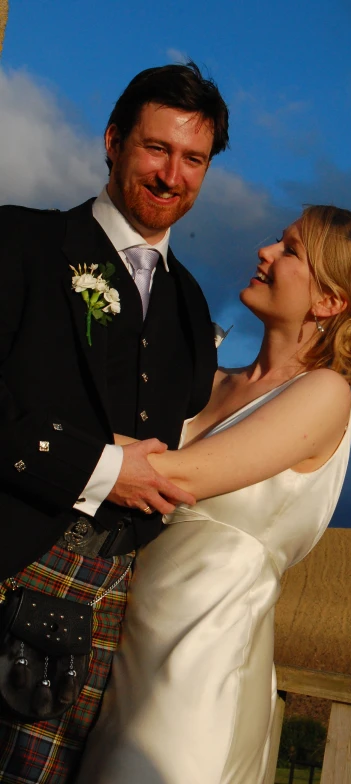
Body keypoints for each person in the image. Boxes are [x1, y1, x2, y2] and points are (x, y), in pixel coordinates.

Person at [77, 205, 351, 784]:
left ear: (329, 302)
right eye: (277, 239)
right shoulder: (212, 380)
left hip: (203, 667)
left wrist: (62, 444)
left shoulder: (325, 395)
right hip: (118, 656)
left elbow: (177, 477)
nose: (265, 251)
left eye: (290, 250)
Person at [0, 62, 229, 783]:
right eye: (156, 149)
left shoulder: (193, 309)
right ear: (112, 142)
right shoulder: (19, 244)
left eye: (193, 159)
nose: (172, 175)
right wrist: (102, 469)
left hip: (101, 609)